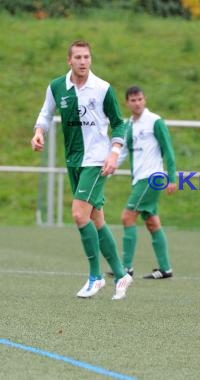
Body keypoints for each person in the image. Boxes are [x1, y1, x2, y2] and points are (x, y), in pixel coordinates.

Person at [30, 40, 133, 300]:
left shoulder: (102, 88)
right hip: (73, 160)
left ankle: (96, 277)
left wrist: (114, 152)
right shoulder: (57, 87)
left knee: (78, 214)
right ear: (69, 60)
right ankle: (121, 275)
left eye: (86, 57)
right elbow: (45, 114)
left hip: (96, 160)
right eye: (78, 57)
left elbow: (120, 125)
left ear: (91, 59)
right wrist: (38, 132)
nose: (83, 61)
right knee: (96, 217)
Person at [116, 86, 177, 279]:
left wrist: (172, 178)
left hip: (152, 177)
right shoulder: (127, 126)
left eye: (140, 99)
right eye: (133, 100)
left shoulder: (155, 121)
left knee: (127, 217)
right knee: (151, 222)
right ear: (127, 103)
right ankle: (166, 269)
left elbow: (168, 150)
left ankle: (126, 268)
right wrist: (107, 169)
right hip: (139, 179)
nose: (137, 103)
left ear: (145, 100)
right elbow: (123, 152)